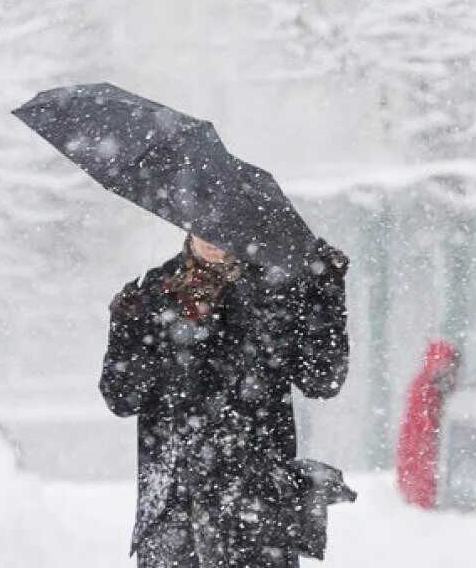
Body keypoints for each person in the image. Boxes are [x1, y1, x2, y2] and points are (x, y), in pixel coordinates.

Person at [99, 233, 350, 568]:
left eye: (226, 227)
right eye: (206, 226)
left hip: (256, 506)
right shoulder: (155, 294)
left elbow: (322, 380)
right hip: (176, 505)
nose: (215, 238)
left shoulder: (274, 292)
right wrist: (127, 330)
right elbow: (122, 398)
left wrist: (327, 294)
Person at [395, 340, 461, 510]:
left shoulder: (433, 387)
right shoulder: (425, 390)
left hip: (423, 455)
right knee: (420, 499)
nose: (451, 373)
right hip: (419, 454)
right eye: (448, 366)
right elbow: (421, 429)